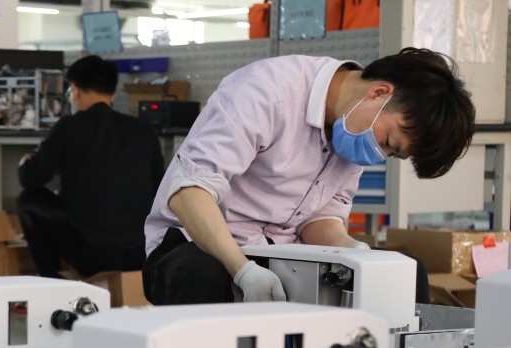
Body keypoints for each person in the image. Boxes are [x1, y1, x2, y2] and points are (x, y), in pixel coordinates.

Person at [142, 47, 475, 306]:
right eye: (389, 142)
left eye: (392, 154)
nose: (380, 154)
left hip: (282, 253)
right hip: (197, 243)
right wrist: (241, 269)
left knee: (405, 270)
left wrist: (355, 253)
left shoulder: (356, 124)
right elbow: (189, 193)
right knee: (206, 276)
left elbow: (320, 221)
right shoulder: (268, 92)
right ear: (378, 93)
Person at [17, 55, 165, 279]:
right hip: (142, 251)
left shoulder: (69, 127)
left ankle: (52, 281)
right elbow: (159, 189)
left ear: (74, 90)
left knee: (28, 200)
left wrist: (24, 164)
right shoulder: (143, 130)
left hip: (92, 253)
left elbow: (31, 179)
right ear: (113, 94)